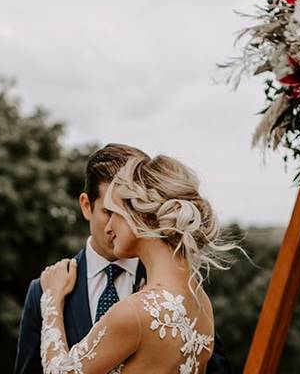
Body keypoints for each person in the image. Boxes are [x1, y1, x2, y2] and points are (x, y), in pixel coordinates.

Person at [14, 145, 232, 374]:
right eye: (106, 212)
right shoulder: (198, 298)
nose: (110, 226)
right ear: (87, 206)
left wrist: (52, 302)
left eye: (113, 212)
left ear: (137, 215)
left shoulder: (133, 311)